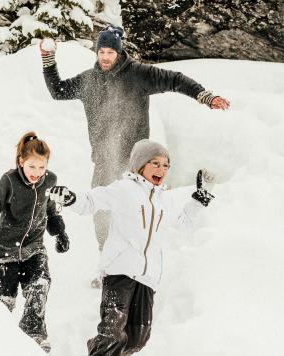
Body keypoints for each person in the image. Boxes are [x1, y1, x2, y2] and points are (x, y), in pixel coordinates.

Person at [40, 26, 229, 254]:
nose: (105, 57)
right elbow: (58, 91)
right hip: (103, 161)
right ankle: (108, 263)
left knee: (136, 214)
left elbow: (175, 80)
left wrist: (204, 96)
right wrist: (48, 60)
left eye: (110, 52)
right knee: (101, 214)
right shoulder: (89, 81)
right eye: (102, 52)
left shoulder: (139, 75)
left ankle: (138, 261)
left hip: (135, 164)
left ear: (119, 53)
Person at [47, 139, 214, 356]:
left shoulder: (165, 199)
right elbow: (90, 202)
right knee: (112, 332)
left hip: (148, 277)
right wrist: (70, 198)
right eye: (155, 163)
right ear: (140, 165)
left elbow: (184, 223)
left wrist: (199, 201)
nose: (161, 170)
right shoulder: (124, 189)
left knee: (138, 338)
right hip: (120, 270)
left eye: (165, 165)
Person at [0, 131, 70, 352]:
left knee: (40, 285)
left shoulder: (49, 181)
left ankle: (33, 335)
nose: (37, 173)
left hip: (34, 250)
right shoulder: (9, 181)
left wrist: (59, 232)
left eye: (42, 167)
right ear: (21, 161)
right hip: (5, 253)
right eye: (32, 167)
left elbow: (50, 211)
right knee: (3, 304)